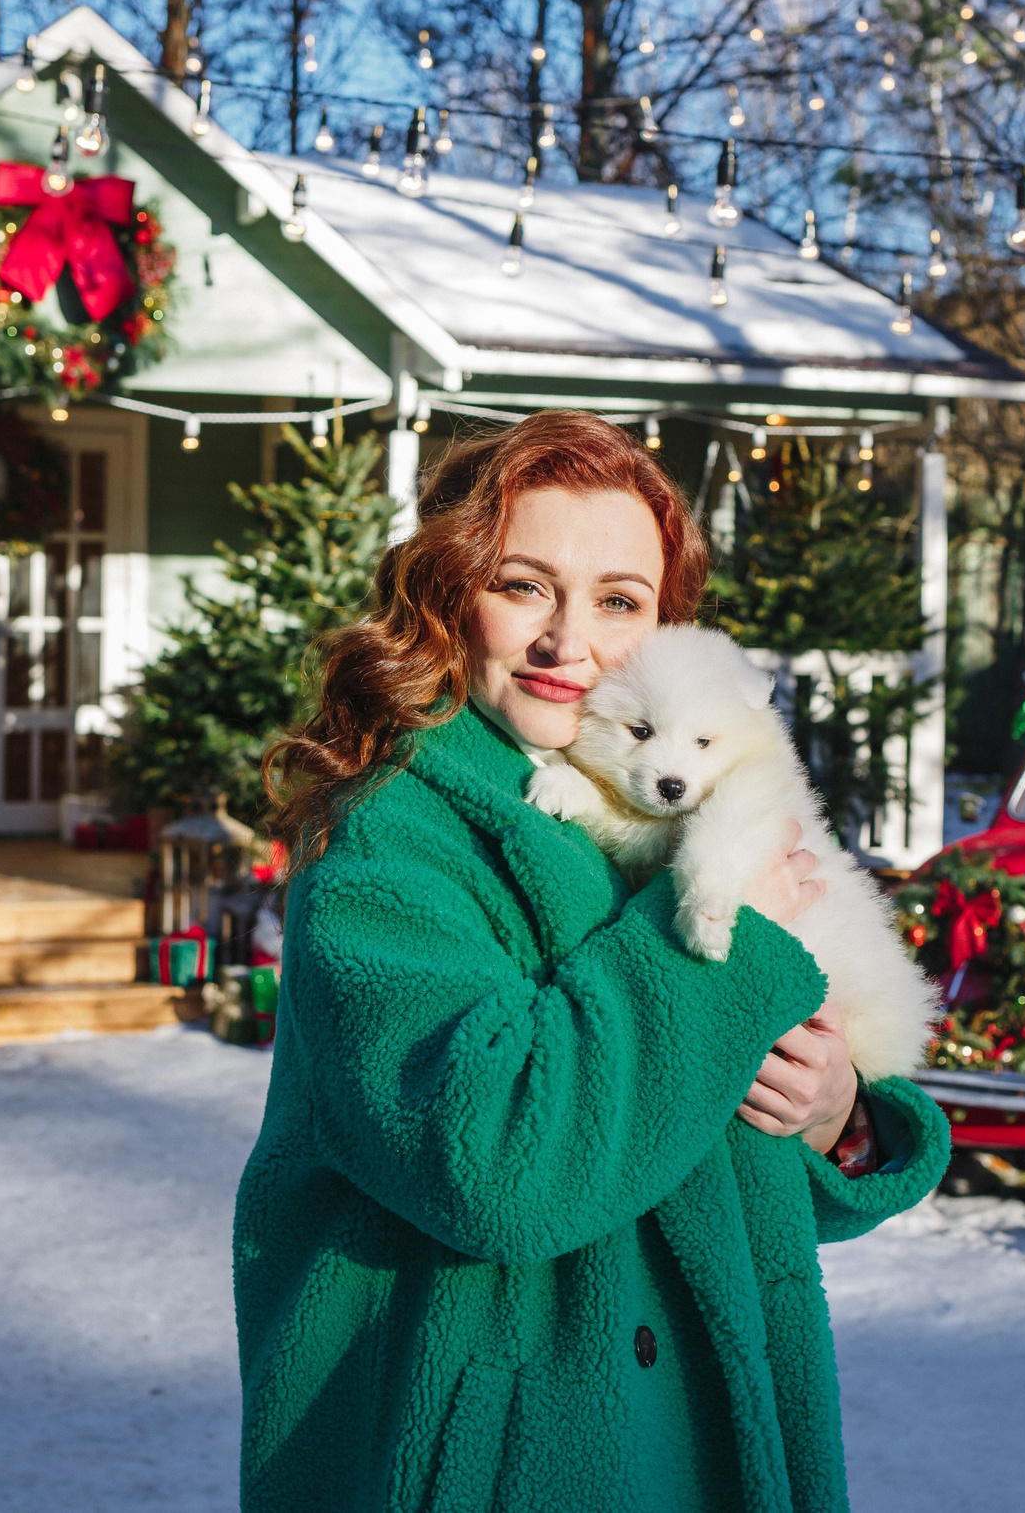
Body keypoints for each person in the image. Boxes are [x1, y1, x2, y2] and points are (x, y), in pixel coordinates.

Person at [235, 410, 950, 1513]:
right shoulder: (390, 842)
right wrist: (718, 939)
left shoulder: (669, 806)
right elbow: (498, 1169)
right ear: (449, 593)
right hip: (506, 1460)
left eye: (619, 601)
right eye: (524, 586)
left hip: (704, 1440)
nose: (569, 642)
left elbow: (701, 1146)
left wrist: (832, 1112)